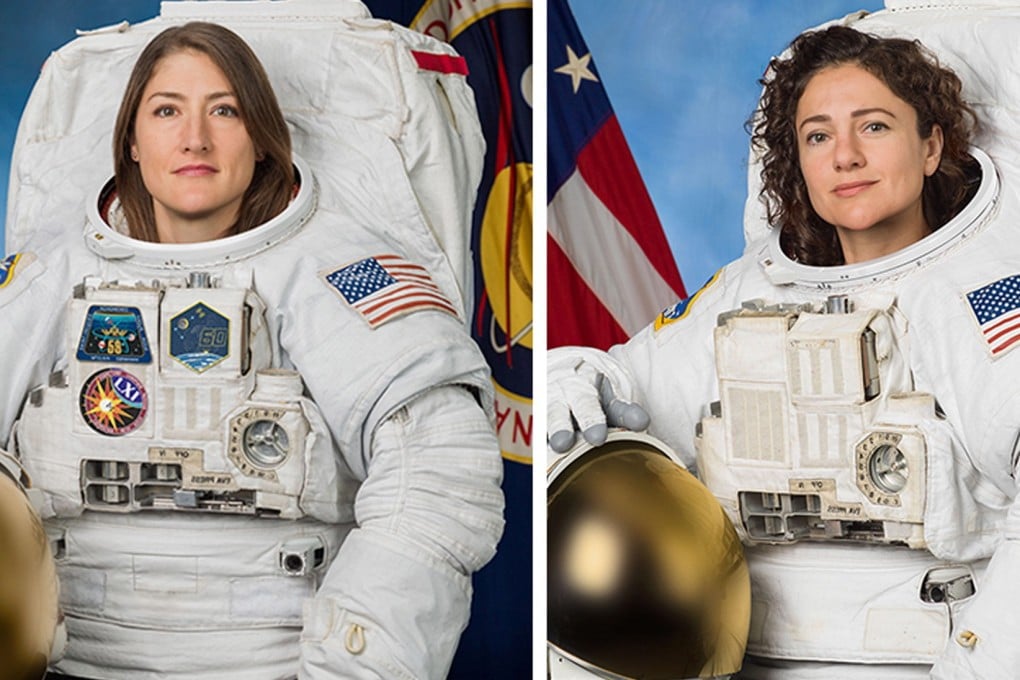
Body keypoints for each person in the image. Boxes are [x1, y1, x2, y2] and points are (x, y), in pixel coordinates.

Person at [0, 19, 504, 680]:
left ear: (263, 138)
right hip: (67, 660)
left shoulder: (341, 270)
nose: (194, 139)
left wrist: (355, 665)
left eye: (225, 111)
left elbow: (440, 474)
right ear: (131, 136)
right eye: (167, 111)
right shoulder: (48, 275)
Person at [549, 22, 1019, 680]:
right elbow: (622, 394)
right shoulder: (749, 290)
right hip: (737, 654)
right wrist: (571, 378)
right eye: (818, 135)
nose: (845, 156)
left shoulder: (981, 295)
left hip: (928, 658)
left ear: (933, 145)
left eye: (875, 127)